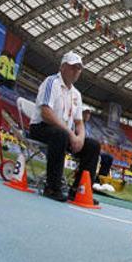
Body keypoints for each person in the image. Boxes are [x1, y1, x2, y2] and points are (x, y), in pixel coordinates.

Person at [29, 52, 101, 202]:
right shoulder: (51, 82)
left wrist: (80, 138)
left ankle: (78, 190)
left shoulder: (76, 94)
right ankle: (52, 187)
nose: (76, 71)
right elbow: (46, 113)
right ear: (62, 67)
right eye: (72, 67)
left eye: (78, 68)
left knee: (93, 146)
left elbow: (79, 122)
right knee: (60, 135)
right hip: (41, 128)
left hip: (62, 133)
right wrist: (70, 134)